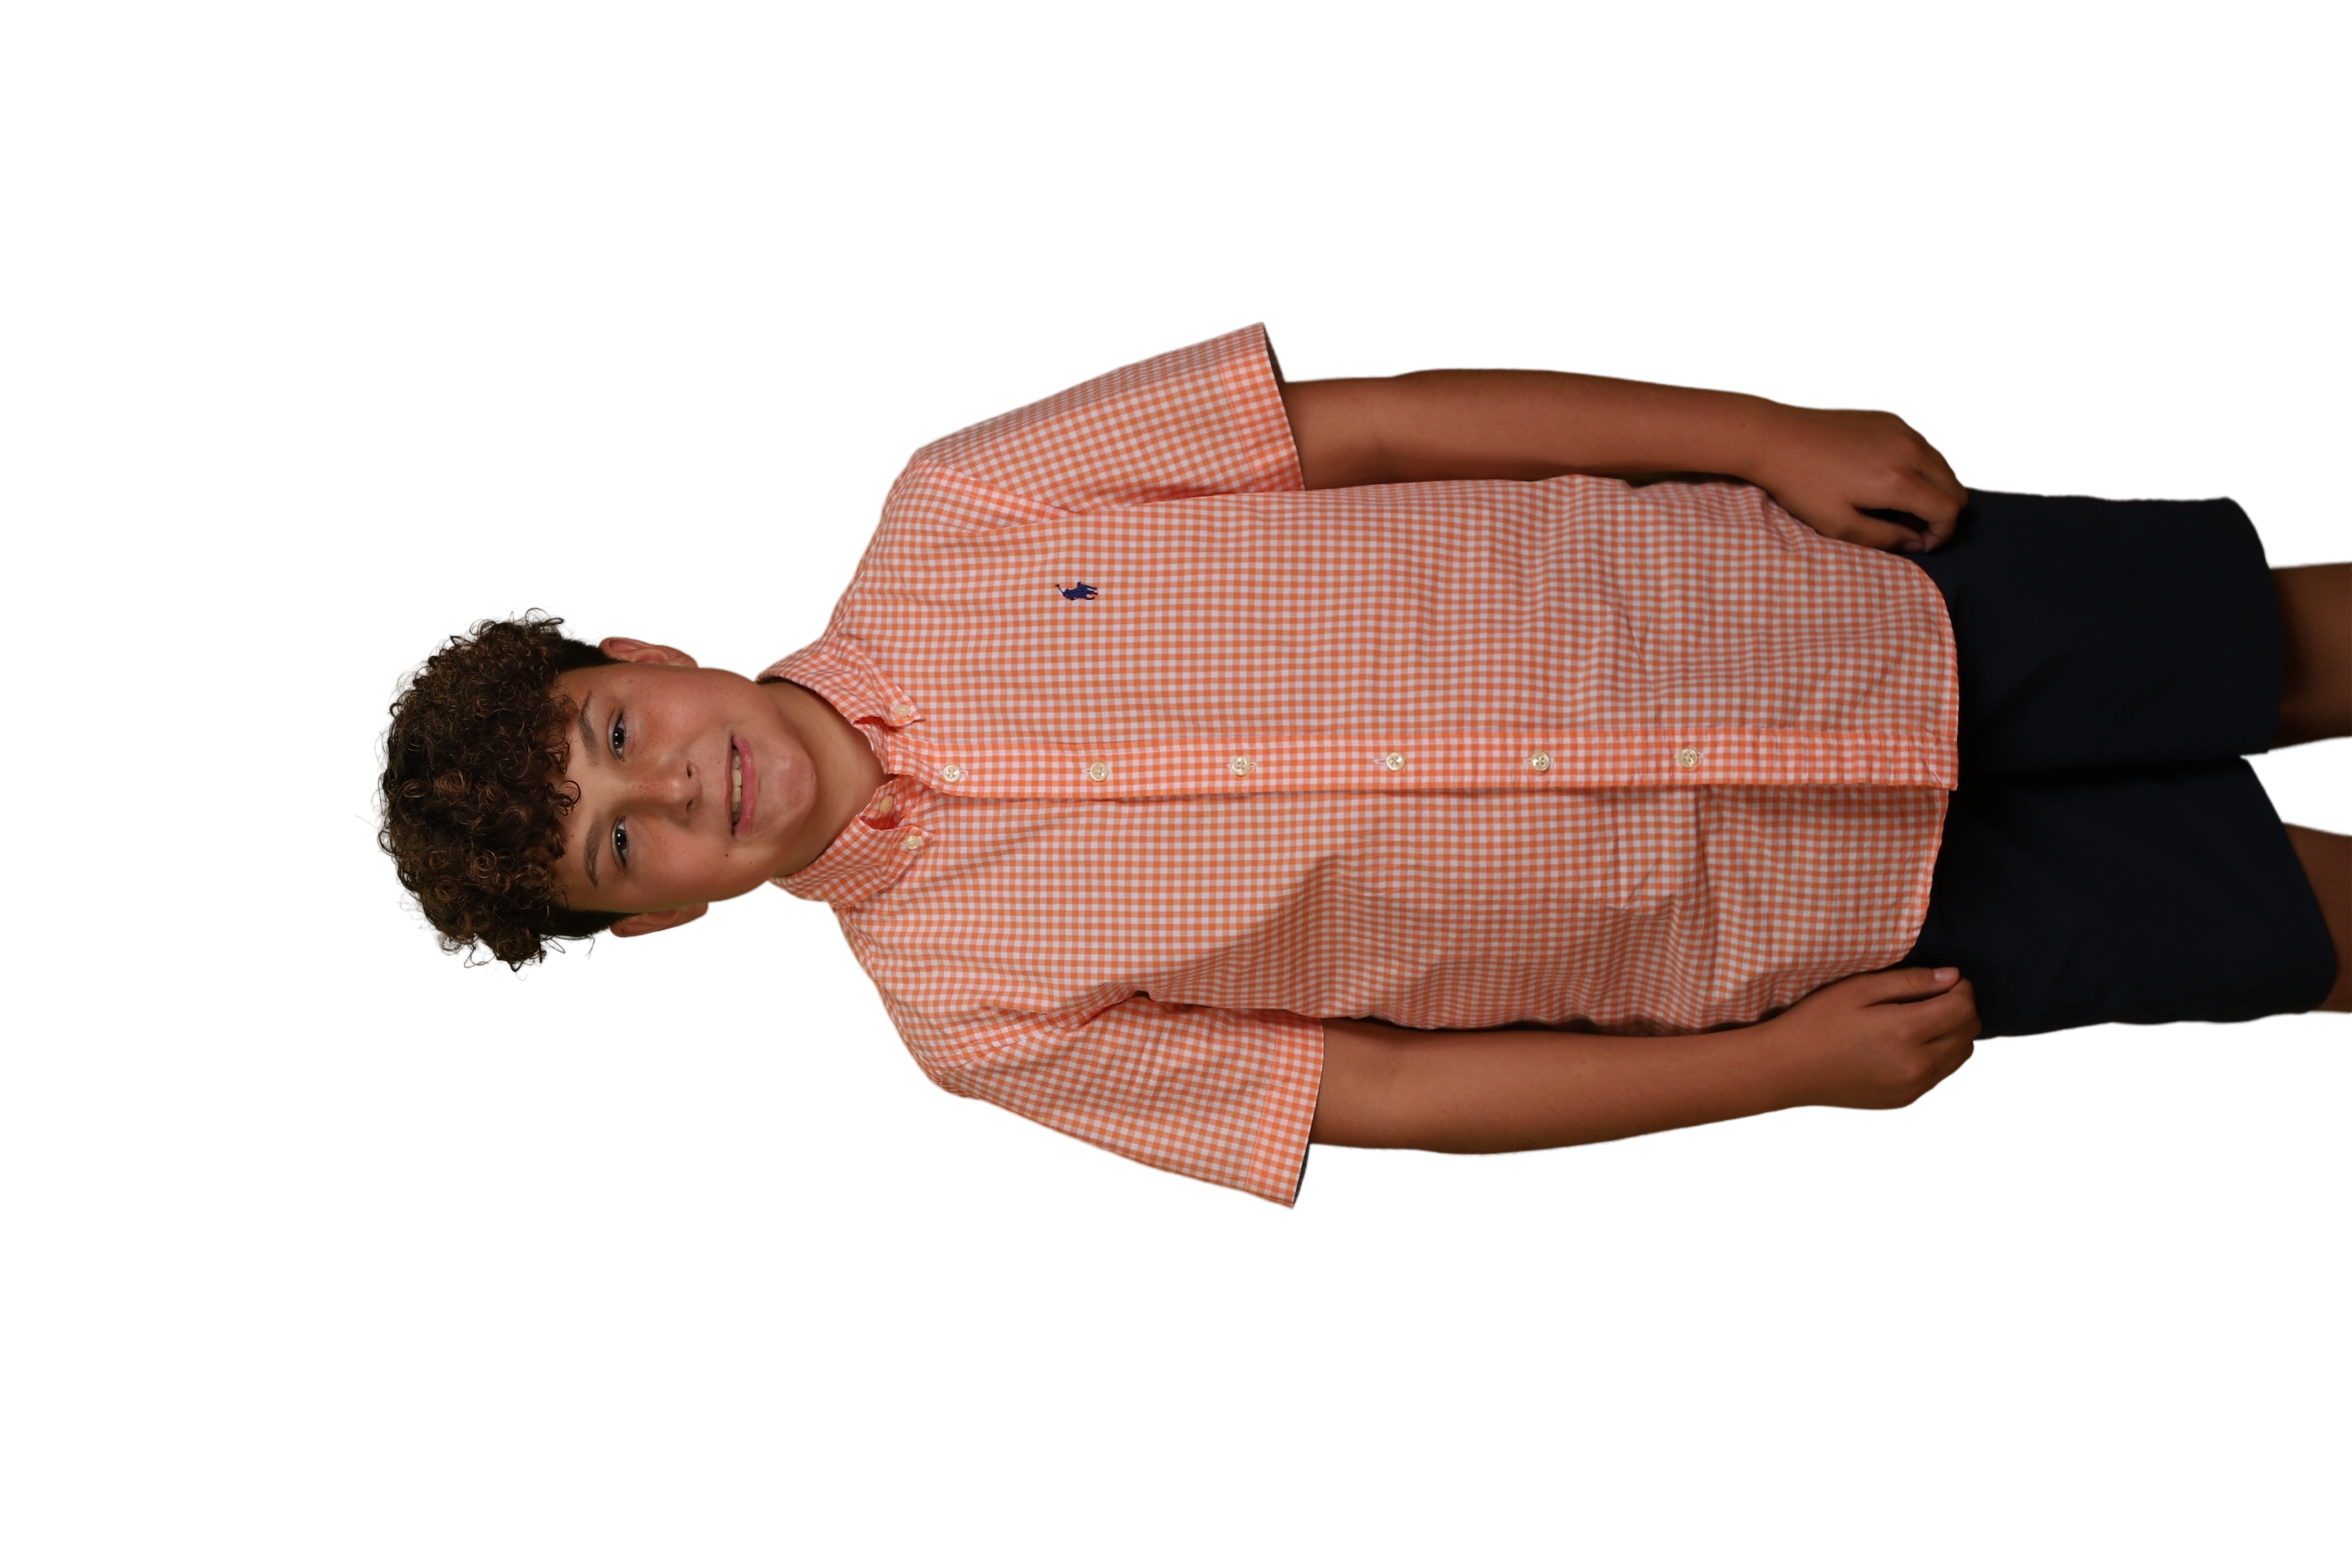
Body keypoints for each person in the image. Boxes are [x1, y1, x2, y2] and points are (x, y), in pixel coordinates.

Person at [362, 321, 2352, 1210]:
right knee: (2303, 918)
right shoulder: (969, 1019)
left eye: (616, 738)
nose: (675, 793)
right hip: (1818, 934)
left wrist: (1754, 436)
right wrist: (1777, 1073)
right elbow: (1381, 1090)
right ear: (661, 925)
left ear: (639, 653)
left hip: (1815, 600)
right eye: (623, 852)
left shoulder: (966, 501)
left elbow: (1371, 432)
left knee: (2290, 646)